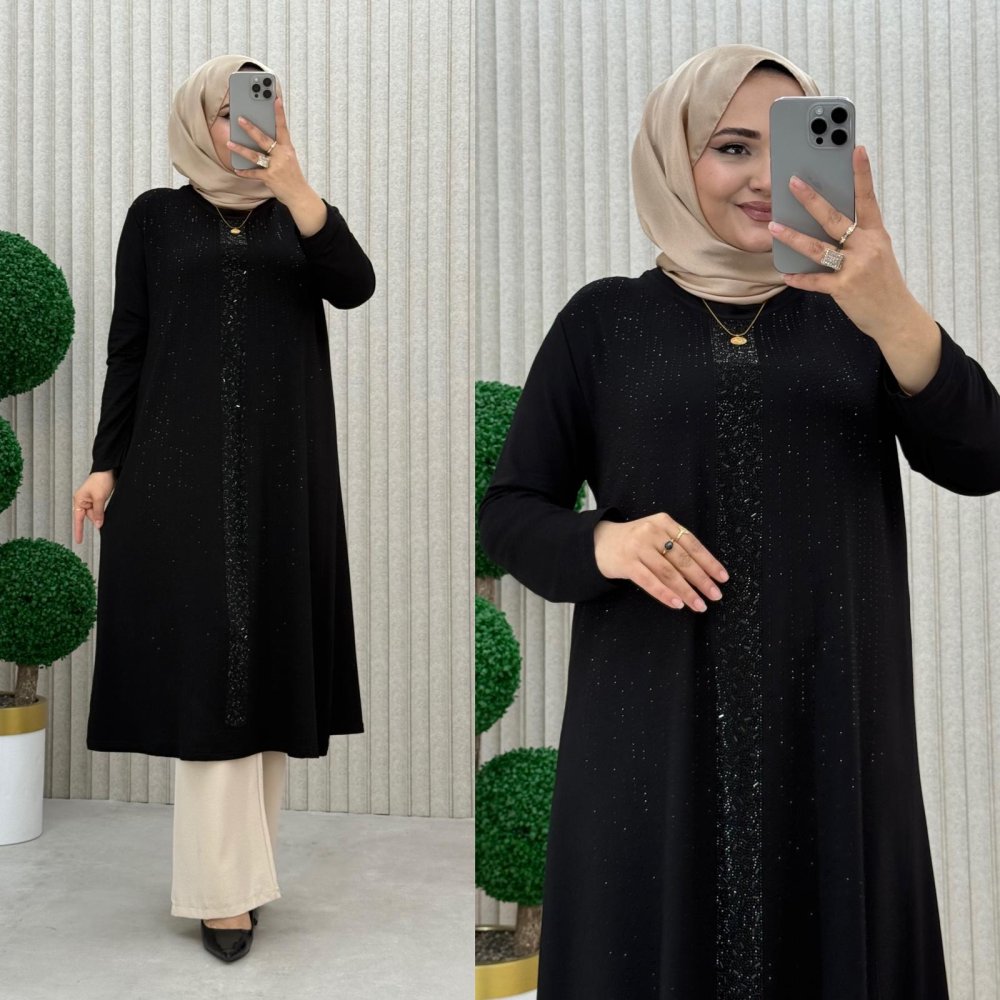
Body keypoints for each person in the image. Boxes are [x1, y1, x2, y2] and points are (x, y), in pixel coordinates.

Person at [477, 43, 1000, 999]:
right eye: (731, 147)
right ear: (676, 159)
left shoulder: (861, 318)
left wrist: (893, 310)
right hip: (647, 737)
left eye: (788, 146)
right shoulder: (603, 322)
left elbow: (982, 459)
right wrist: (605, 542)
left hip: (832, 730)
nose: (764, 179)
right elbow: (509, 513)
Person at [72, 54, 375, 962]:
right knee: (209, 672)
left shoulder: (297, 215)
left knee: (269, 666)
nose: (252, 120)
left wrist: (298, 188)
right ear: (199, 119)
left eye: (266, 104)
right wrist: (105, 464)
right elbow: (130, 345)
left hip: (285, 474)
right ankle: (222, 894)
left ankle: (243, 875)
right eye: (233, 108)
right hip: (179, 473)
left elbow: (355, 284)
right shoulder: (155, 217)